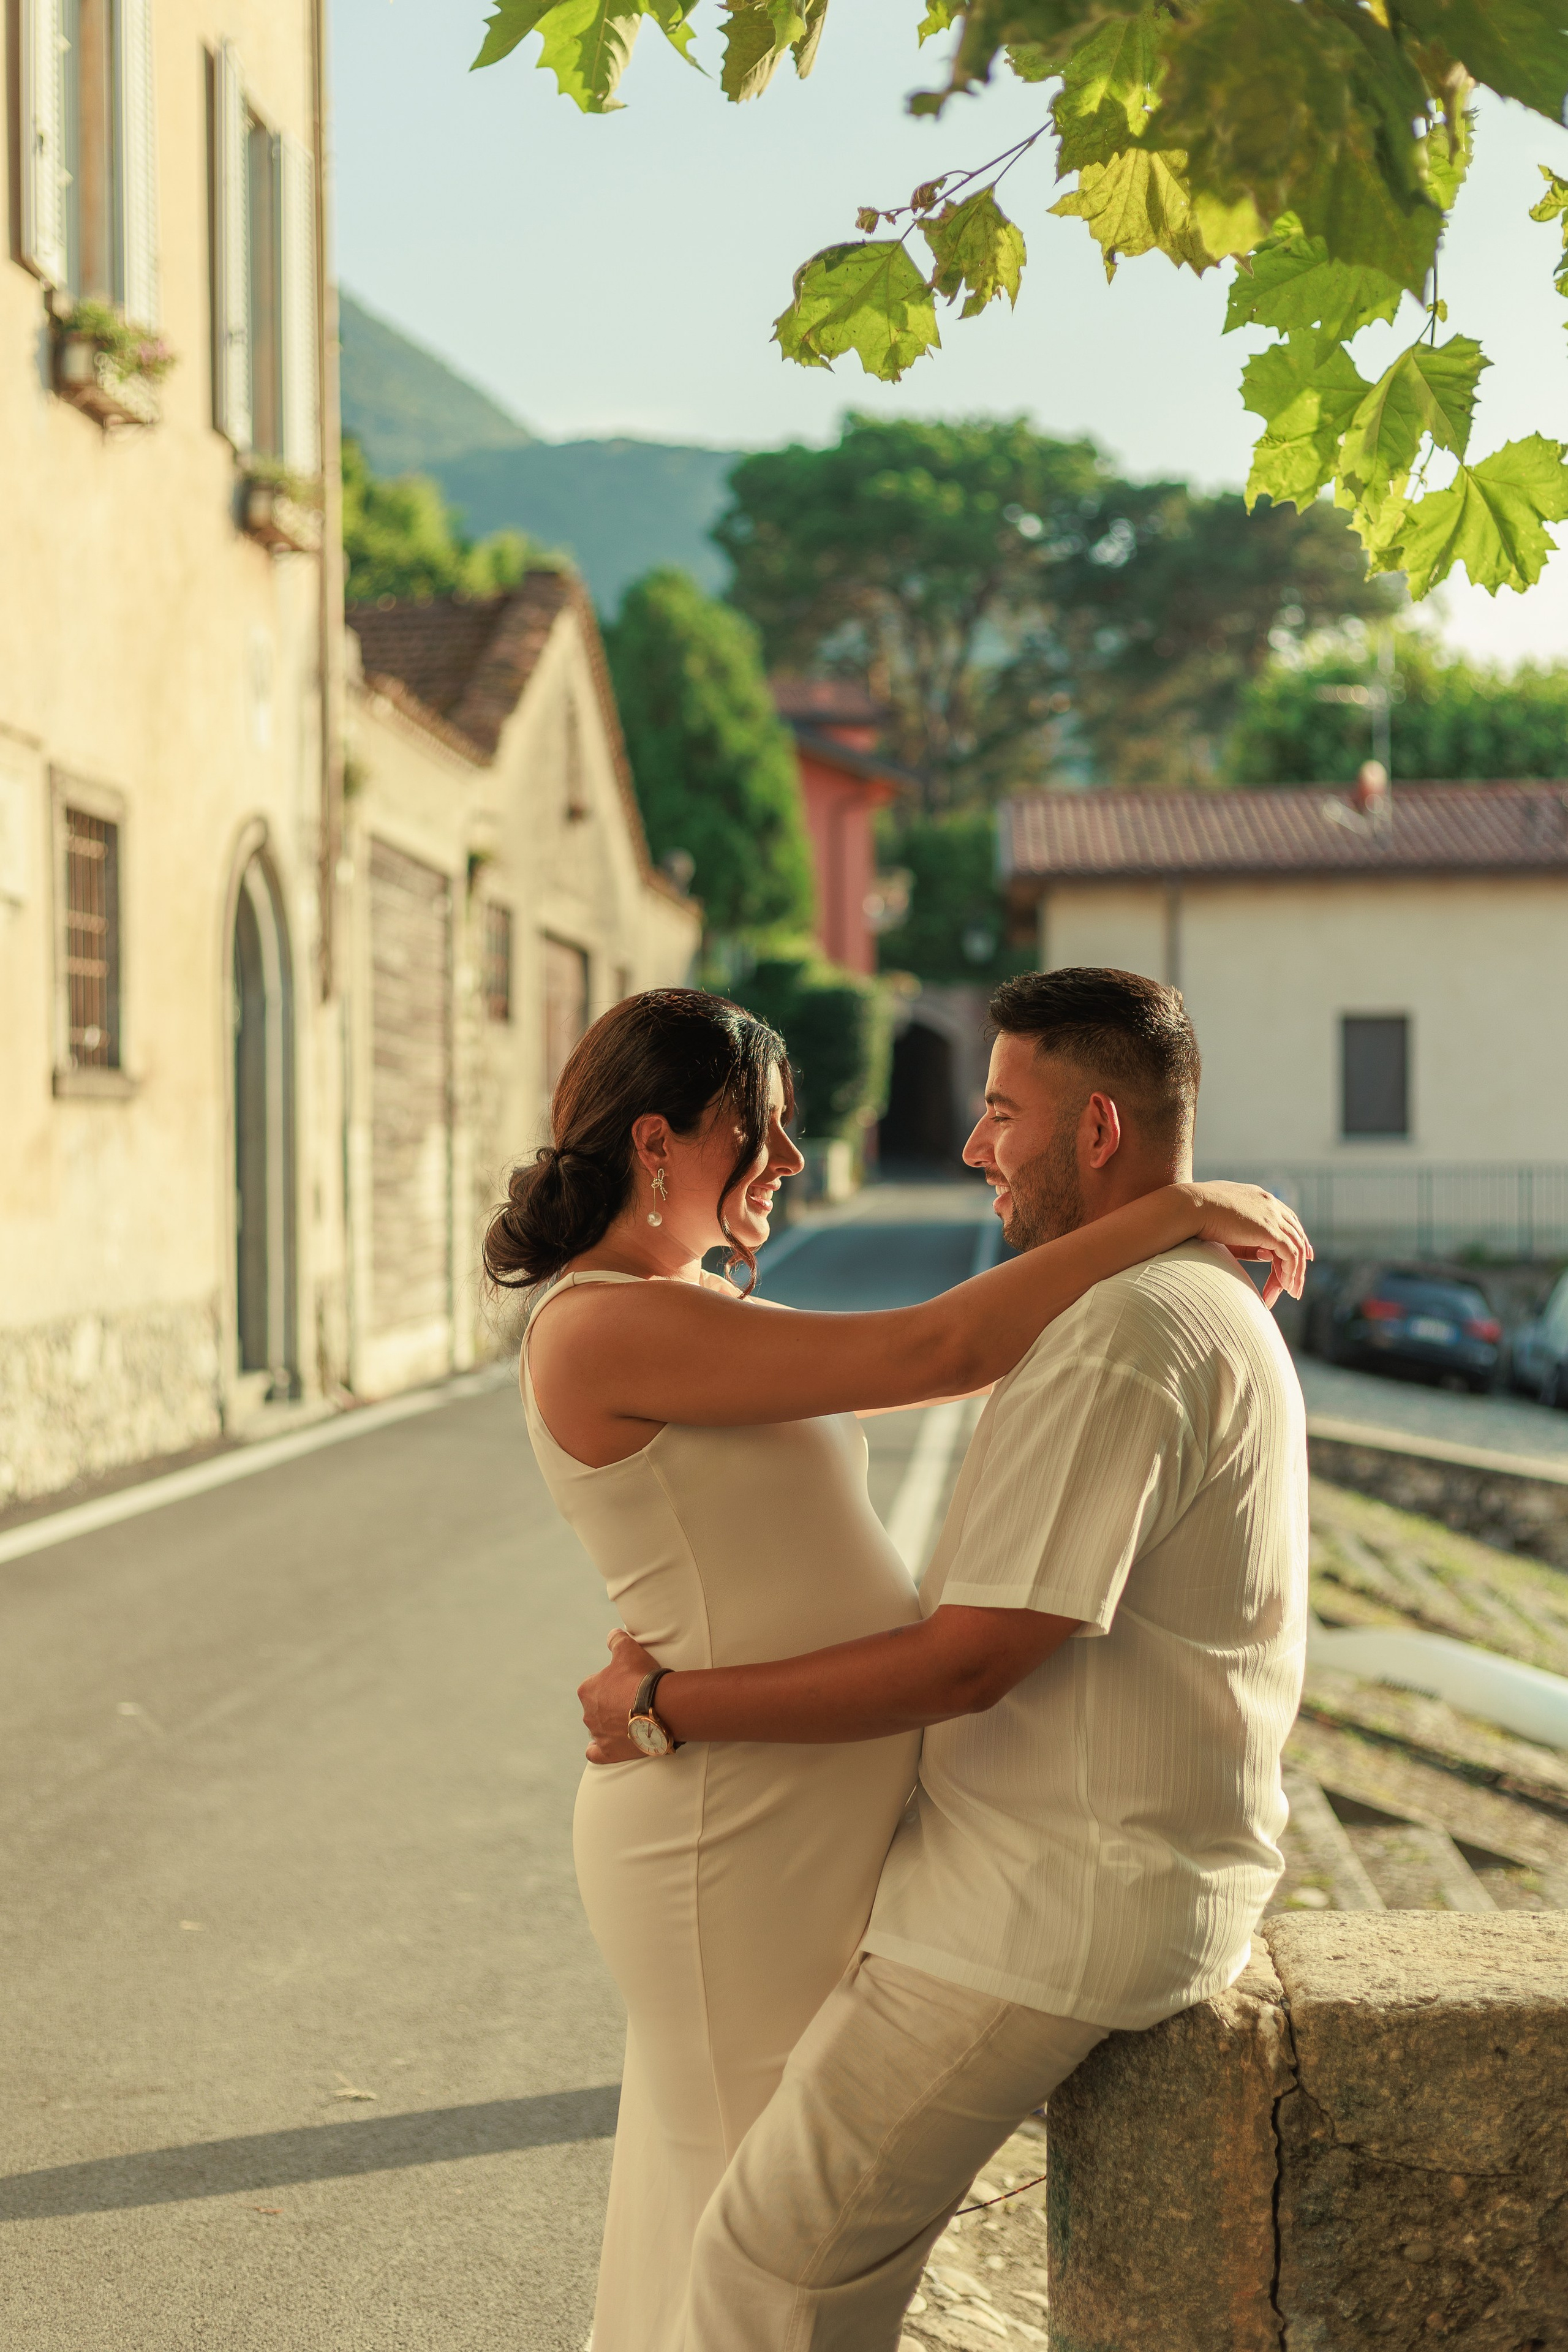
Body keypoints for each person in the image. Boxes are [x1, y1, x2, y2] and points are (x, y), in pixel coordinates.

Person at [488, 985, 1306, 2352]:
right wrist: (1159, 1215)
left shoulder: (690, 1304)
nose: (793, 1163)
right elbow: (939, 1346)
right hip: (719, 1810)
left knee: (726, 2217)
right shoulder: (604, 1324)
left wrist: (1137, 1240)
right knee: (740, 2218)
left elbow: (941, 1370)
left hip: (797, 1804)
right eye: (763, 1130)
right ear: (657, 1143)